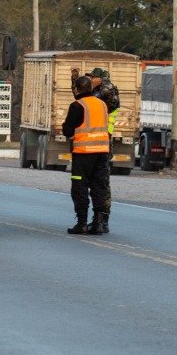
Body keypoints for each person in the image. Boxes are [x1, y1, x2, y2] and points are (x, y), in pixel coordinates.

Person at [62, 75, 110, 235]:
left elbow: (68, 131)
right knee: (99, 187)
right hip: (102, 152)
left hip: (83, 154)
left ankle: (81, 223)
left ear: (76, 89)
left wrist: (66, 126)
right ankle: (98, 223)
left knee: (79, 187)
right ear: (91, 88)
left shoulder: (77, 105)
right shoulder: (102, 104)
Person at [87, 67, 119, 233]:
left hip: (104, 144)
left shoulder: (108, 90)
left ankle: (103, 219)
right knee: (95, 183)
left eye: (93, 77)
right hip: (94, 142)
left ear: (101, 78)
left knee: (102, 183)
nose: (91, 80)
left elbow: (99, 102)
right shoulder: (98, 90)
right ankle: (98, 218)